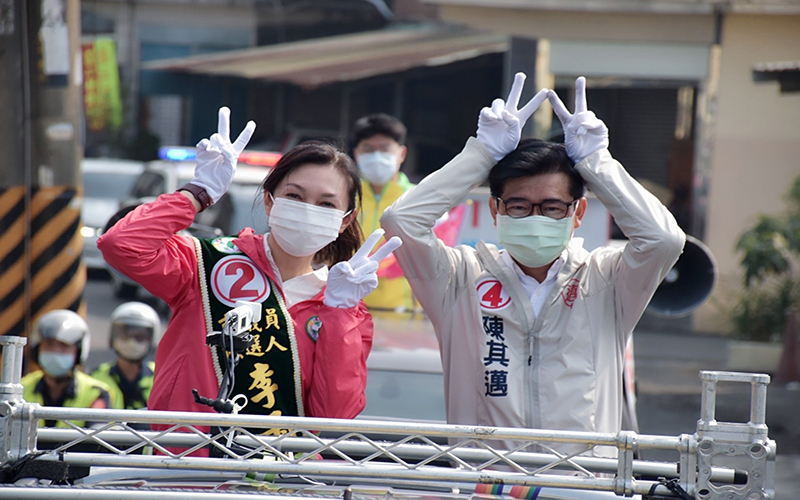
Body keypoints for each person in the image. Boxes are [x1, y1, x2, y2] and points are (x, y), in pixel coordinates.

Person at [380, 74, 685, 458]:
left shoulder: (608, 280)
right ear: (495, 209)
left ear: (578, 214)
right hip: (488, 485)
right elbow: (400, 223)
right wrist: (481, 155)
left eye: (553, 207)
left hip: (584, 489)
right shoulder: (457, 279)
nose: (534, 217)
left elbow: (665, 240)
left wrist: (596, 163)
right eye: (519, 206)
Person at [98, 108, 401, 436]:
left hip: (277, 479)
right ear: (270, 202)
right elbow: (120, 244)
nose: (307, 210)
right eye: (294, 196)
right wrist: (197, 193)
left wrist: (339, 314)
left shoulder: (345, 307)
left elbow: (334, 417)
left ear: (344, 220)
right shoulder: (206, 262)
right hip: (184, 467)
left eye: (326, 205)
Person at [351, 113, 415, 310]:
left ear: (401, 153)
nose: (376, 156)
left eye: (385, 149)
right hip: (349, 309)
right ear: (356, 154)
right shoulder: (344, 198)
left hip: (404, 315)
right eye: (368, 149)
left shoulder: (418, 200)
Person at [22, 310, 116, 428]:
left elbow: (97, 434)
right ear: (37, 350)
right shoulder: (21, 389)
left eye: (64, 346)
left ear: (78, 352)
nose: (56, 351)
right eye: (49, 345)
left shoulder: (96, 392)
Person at [91, 302, 161, 410]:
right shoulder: (95, 376)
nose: (131, 342)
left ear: (152, 339)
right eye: (125, 335)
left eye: (140, 337)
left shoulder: (160, 377)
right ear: (112, 336)